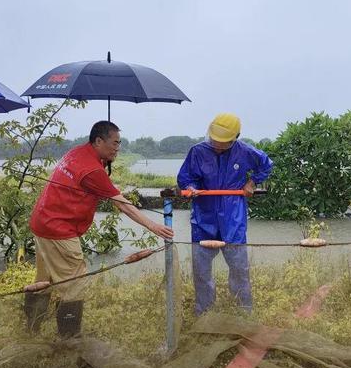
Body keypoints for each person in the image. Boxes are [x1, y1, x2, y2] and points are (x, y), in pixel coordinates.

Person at [25, 121, 174, 337]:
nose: (117, 148)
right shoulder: (92, 169)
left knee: (44, 280)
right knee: (74, 285)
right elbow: (122, 203)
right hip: (59, 229)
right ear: (98, 141)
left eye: (119, 143)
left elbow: (97, 185)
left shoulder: (77, 153)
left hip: (42, 222)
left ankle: (31, 330)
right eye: (114, 143)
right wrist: (153, 226)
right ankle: (69, 338)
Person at [177, 113, 273, 315]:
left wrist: (252, 182)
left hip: (233, 216)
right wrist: (190, 188)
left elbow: (266, 164)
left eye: (224, 142)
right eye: (215, 140)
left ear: (235, 138)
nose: (218, 145)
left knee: (239, 269)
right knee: (201, 271)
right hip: (204, 216)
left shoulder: (245, 151)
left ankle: (243, 311)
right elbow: (185, 177)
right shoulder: (198, 151)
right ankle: (204, 312)